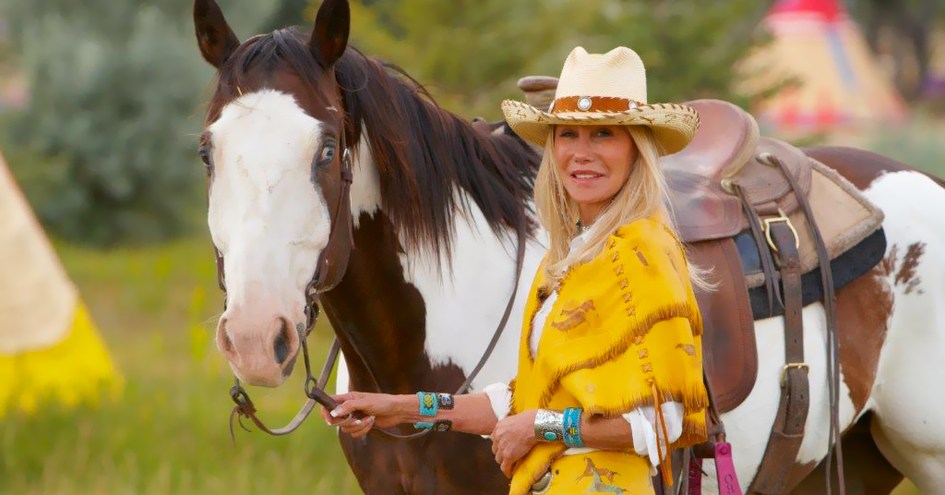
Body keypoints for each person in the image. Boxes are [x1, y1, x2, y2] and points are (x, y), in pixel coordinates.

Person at [323, 46, 708, 495]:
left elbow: (663, 420)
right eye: (567, 136)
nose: (581, 154)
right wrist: (400, 408)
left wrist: (538, 427)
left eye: (604, 134)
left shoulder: (642, 251)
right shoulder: (568, 259)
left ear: (636, 149)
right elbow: (522, 399)